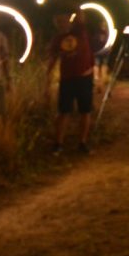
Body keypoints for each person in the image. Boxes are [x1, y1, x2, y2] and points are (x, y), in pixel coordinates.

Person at [45, 9, 95, 155]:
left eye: (64, 20)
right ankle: (58, 144)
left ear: (70, 19)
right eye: (58, 21)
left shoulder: (79, 30)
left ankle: (82, 143)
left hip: (85, 78)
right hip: (67, 79)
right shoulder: (57, 39)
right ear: (56, 24)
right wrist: (47, 83)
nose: (62, 23)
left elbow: (80, 11)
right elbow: (52, 60)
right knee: (63, 112)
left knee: (85, 111)